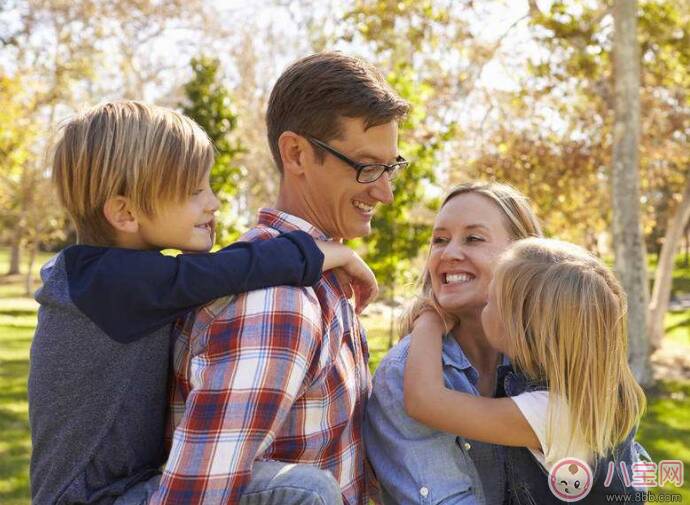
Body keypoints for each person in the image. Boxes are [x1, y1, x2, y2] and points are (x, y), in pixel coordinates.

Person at [28, 100, 377, 505]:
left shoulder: (107, 280)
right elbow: (232, 268)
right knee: (305, 493)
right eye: (194, 191)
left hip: (129, 486)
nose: (213, 202)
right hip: (95, 499)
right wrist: (331, 254)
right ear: (124, 212)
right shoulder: (108, 284)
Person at [149, 52, 409, 505]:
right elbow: (195, 497)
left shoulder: (322, 274)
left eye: (390, 167)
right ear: (296, 154)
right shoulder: (278, 301)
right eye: (366, 167)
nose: (385, 192)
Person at [405, 238, 648, 504]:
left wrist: (429, 321)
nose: (484, 300)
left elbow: (424, 401)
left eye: (491, 300)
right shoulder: (597, 387)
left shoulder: (551, 414)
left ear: (521, 329)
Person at [364, 181, 543, 505]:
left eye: (473, 238)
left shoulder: (551, 360)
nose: (449, 253)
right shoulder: (401, 376)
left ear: (524, 255)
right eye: (440, 240)